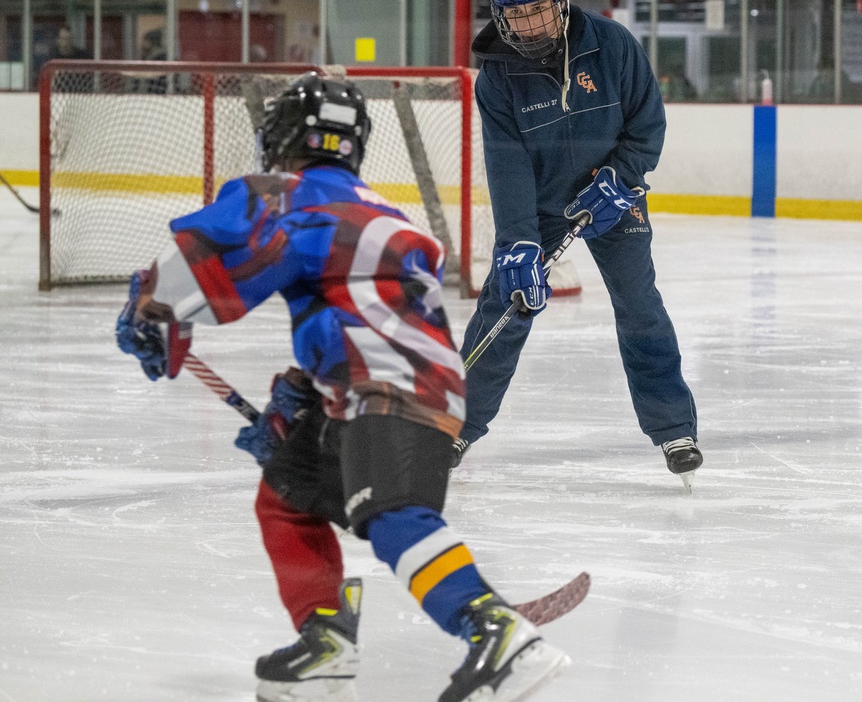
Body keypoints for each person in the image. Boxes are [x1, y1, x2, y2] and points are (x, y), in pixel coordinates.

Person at [115, 73, 570, 702]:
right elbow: (366, 312)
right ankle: (324, 641)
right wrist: (305, 393)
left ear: (281, 138)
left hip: (389, 390)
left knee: (394, 517)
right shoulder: (375, 208)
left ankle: (496, 633)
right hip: (399, 385)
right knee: (286, 494)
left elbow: (209, 260)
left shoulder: (286, 197)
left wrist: (151, 311)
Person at [454, 0, 702, 488]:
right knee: (507, 301)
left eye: (539, 9)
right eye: (516, 14)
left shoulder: (613, 46)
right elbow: (507, 165)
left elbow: (648, 125)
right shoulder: (497, 77)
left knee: (639, 303)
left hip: (612, 193)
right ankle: (457, 424)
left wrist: (622, 178)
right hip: (540, 206)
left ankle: (673, 427)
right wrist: (518, 240)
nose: (530, 24)